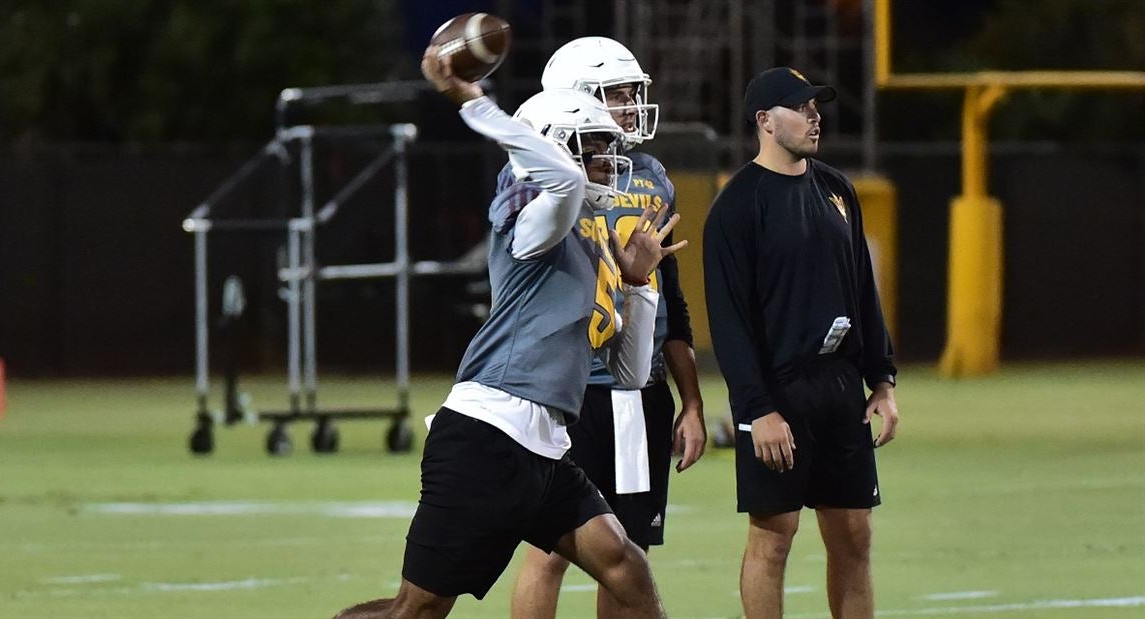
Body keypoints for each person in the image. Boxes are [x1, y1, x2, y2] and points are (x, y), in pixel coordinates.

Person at [333, 46, 685, 619]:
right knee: (418, 611)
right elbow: (562, 182)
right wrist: (473, 101)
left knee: (627, 566)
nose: (606, 163)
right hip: (486, 437)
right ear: (555, 148)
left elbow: (627, 371)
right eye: (593, 150)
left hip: (547, 448)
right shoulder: (534, 220)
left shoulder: (589, 239)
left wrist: (641, 285)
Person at [505, 37, 707, 619]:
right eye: (614, 94)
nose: (627, 106)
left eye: (629, 94)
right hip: (568, 388)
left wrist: (689, 402)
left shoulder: (651, 177)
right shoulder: (543, 180)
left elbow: (671, 301)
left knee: (627, 554)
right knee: (549, 551)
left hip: (636, 387)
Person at [702, 67, 901, 619]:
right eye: (801, 107)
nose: (815, 115)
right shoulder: (738, 205)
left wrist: (882, 379)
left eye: (817, 106)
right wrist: (757, 408)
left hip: (838, 384)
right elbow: (729, 320)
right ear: (765, 121)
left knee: (854, 535)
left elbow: (863, 287)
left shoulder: (836, 187)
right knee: (774, 537)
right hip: (776, 390)